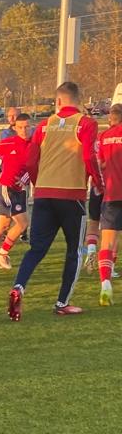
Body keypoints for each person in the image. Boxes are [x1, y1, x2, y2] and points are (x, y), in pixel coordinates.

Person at [8, 81, 101, 320]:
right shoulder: (86, 123)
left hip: (44, 195)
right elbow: (89, 157)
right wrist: (98, 184)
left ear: (58, 101)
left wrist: (39, 184)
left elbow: (30, 161)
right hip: (72, 195)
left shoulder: (44, 125)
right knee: (74, 251)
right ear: (78, 99)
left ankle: (18, 287)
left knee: (37, 248)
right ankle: (62, 303)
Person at [0, 113, 32, 269]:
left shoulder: (35, 145)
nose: (24, 130)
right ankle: (2, 253)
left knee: (3, 225)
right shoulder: (7, 142)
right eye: (20, 127)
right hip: (6, 188)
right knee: (23, 224)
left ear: (31, 127)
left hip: (19, 190)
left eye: (27, 127)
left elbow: (35, 166)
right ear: (15, 128)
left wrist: (25, 179)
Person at [96, 103, 122, 306]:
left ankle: (105, 283)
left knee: (107, 242)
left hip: (112, 194)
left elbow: (101, 163)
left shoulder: (103, 137)